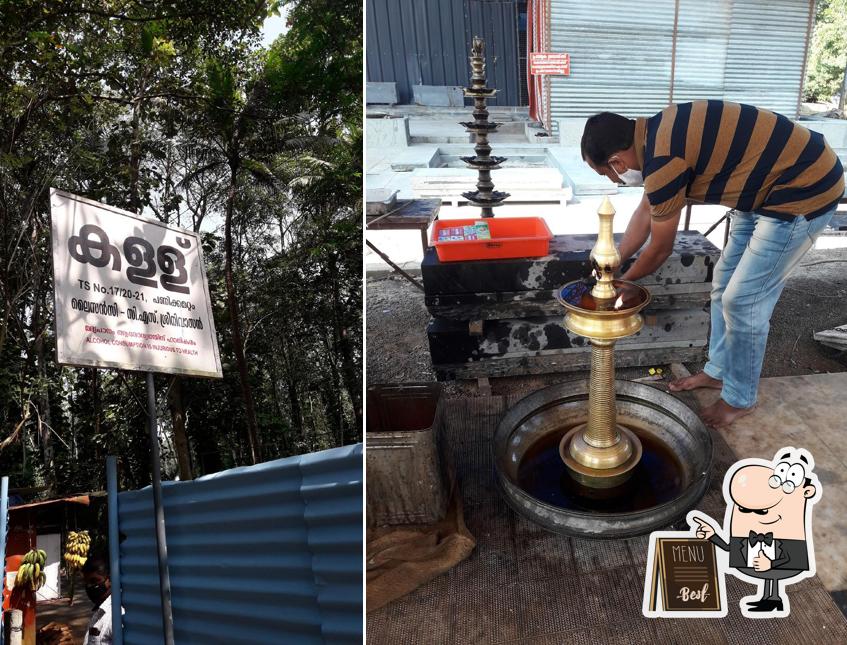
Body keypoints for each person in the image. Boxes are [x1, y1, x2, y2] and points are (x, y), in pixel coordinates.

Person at [580, 101, 844, 428]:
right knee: (723, 285)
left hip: (803, 190)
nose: (614, 179)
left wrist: (625, 284)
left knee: (744, 300)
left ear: (617, 161)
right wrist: (614, 264)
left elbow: (660, 249)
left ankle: (739, 399)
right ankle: (718, 372)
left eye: (607, 172)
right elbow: (645, 212)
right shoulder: (655, 135)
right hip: (762, 190)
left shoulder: (663, 161)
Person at [82, 555, 117, 645]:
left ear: (109, 580)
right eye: (86, 582)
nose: (89, 586)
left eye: (94, 581)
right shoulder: (99, 611)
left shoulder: (116, 616)